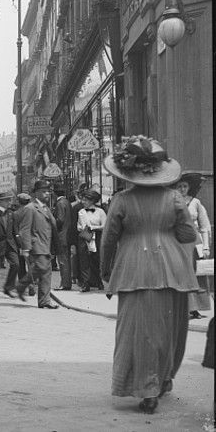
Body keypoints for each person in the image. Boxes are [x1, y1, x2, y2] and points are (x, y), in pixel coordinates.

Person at [101, 135, 199, 414]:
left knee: (136, 331)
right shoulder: (174, 198)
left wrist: (106, 271)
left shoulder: (121, 200)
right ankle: (163, 380)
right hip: (172, 270)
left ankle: (146, 389)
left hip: (133, 270)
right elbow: (188, 233)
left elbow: (109, 240)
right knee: (168, 330)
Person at [15, 180, 60, 309]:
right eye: (44, 192)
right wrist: (26, 248)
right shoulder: (30, 208)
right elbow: (24, 229)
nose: (47, 194)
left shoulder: (46, 208)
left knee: (46, 272)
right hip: (37, 245)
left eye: (48, 192)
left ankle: (44, 300)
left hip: (47, 245)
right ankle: (22, 286)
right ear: (36, 193)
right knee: (41, 268)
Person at [174, 172, 212, 319]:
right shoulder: (171, 202)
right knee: (181, 273)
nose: (182, 189)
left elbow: (205, 225)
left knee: (198, 274)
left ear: (189, 187)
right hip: (178, 241)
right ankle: (184, 308)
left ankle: (196, 308)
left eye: (185, 186)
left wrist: (206, 246)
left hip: (195, 242)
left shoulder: (196, 202)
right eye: (179, 186)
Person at [76, 189, 105, 293]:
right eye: (82, 200)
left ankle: (99, 281)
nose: (83, 202)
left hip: (96, 237)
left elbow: (104, 225)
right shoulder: (81, 212)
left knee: (96, 260)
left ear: (92, 201)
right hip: (84, 238)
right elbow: (79, 226)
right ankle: (85, 284)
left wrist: (93, 227)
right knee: (84, 261)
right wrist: (82, 228)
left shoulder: (100, 211)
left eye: (85, 200)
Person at [3, 193, 32, 297]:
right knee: (30, 265)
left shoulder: (16, 213)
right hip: (29, 241)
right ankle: (30, 287)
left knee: (21, 266)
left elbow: (14, 230)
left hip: (20, 241)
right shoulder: (32, 211)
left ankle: (24, 286)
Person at [52, 183, 75, 291]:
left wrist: (52, 221)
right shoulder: (67, 202)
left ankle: (65, 284)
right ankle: (66, 283)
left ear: (54, 193)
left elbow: (60, 220)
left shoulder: (60, 203)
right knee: (66, 260)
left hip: (62, 236)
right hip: (68, 235)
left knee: (62, 261)